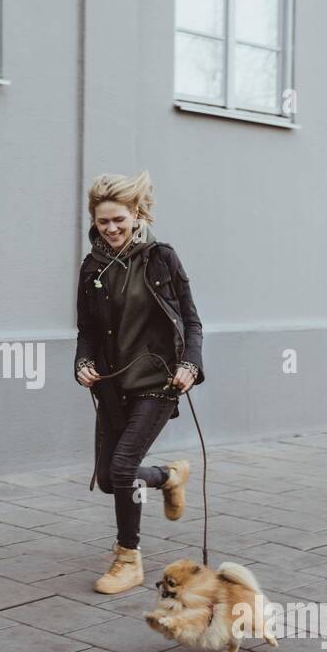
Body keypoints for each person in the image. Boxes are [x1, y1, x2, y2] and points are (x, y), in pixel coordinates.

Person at [74, 170, 206, 594]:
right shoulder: (92, 267)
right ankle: (169, 476)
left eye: (119, 220)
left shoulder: (161, 258)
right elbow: (86, 330)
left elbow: (190, 319)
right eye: (102, 222)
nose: (111, 228)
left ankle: (127, 558)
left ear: (136, 214)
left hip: (157, 380)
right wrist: (82, 362)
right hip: (113, 385)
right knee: (113, 480)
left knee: (123, 466)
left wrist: (190, 364)